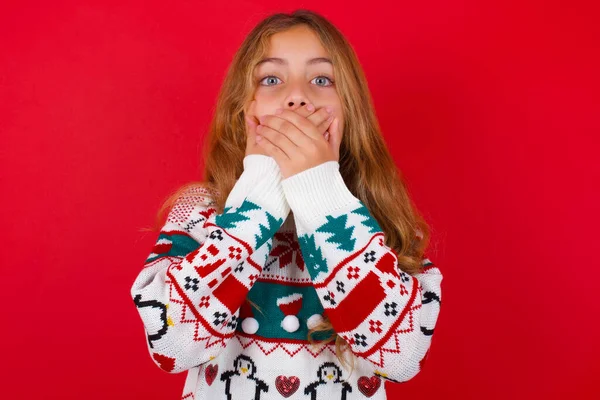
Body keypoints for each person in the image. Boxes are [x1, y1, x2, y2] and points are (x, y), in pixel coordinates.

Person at [130, 9, 443, 400]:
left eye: (321, 79)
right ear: (243, 110)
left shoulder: (381, 224)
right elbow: (170, 346)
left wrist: (320, 194)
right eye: (272, 79)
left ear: (349, 111)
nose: (297, 96)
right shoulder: (199, 212)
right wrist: (258, 199)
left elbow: (403, 357)